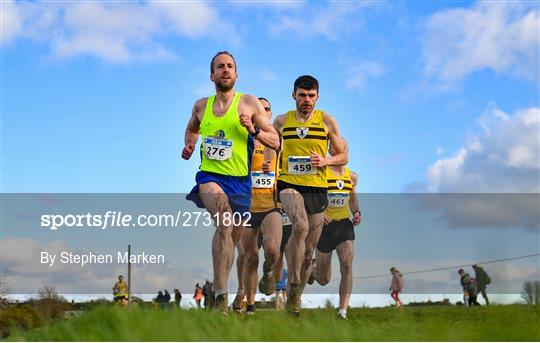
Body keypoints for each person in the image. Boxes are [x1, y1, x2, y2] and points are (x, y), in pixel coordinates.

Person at [182, 51, 279, 314]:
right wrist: (190, 144)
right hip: (210, 177)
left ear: (236, 74)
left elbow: (276, 141)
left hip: (240, 183)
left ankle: (219, 290)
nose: (225, 70)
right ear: (212, 75)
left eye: (230, 66)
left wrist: (254, 129)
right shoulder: (201, 106)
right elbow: (192, 128)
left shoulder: (248, 104)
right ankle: (222, 299)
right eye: (220, 67)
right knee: (224, 221)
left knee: (231, 238)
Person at [273, 75, 348, 314]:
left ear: (317, 97)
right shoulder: (282, 121)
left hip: (317, 188)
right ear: (293, 94)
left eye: (311, 96)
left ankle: (296, 297)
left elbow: (343, 156)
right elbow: (268, 146)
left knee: (308, 252)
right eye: (302, 95)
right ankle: (293, 279)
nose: (306, 100)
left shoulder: (326, 121)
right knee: (301, 227)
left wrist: (326, 160)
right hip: (289, 184)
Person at [237, 97, 293, 315]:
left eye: (266, 108)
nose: (263, 111)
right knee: (249, 256)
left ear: (268, 114)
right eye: (259, 108)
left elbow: (293, 170)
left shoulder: (280, 142)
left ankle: (268, 271)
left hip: (271, 205)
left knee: (272, 250)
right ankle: (249, 304)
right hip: (246, 207)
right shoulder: (242, 139)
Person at [309, 161, 361, 319]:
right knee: (324, 279)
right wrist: (320, 213)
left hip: (344, 225)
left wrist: (357, 212)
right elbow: (311, 195)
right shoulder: (321, 172)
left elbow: (352, 198)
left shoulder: (352, 176)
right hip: (324, 227)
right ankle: (313, 270)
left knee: (347, 266)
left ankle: (342, 311)